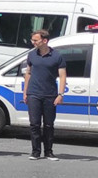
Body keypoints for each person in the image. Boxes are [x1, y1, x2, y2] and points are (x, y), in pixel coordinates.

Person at [23, 29, 67, 161]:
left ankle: (49, 151)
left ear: (45, 41)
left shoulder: (56, 56)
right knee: (34, 124)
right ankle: (35, 151)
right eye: (32, 40)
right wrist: (25, 92)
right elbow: (28, 73)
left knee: (48, 124)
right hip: (34, 93)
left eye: (35, 40)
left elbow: (62, 75)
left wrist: (60, 94)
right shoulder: (31, 55)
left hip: (50, 94)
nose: (33, 42)